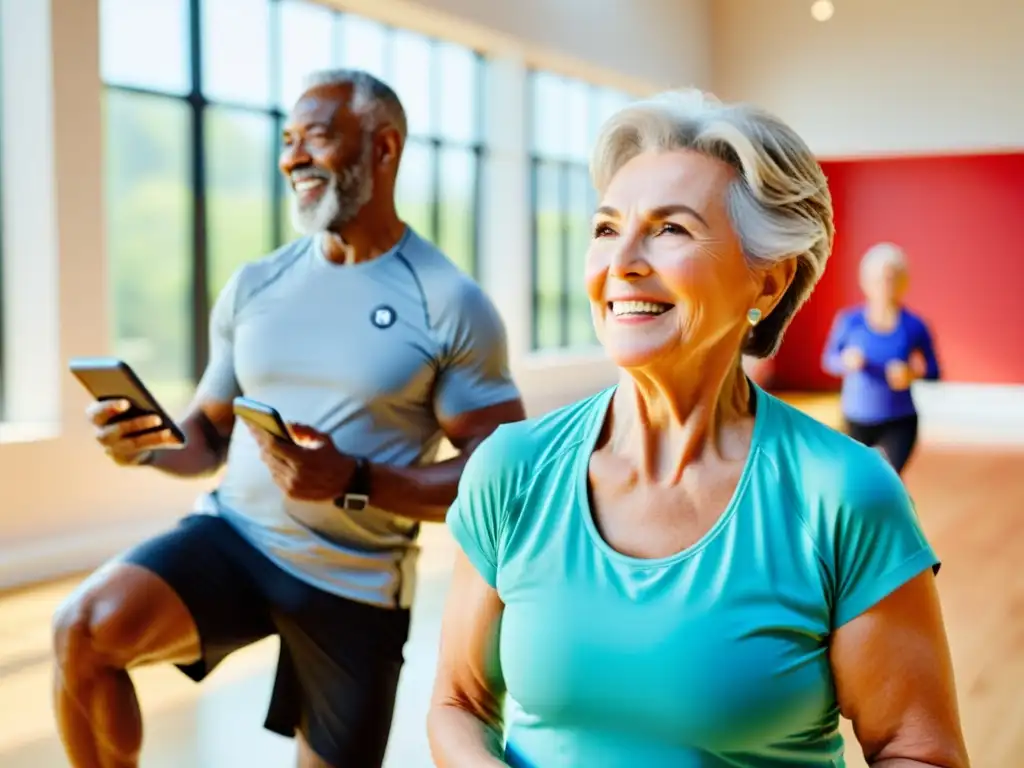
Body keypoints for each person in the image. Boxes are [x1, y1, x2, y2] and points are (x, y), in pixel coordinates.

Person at [428, 90, 969, 768]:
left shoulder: (845, 496)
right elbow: (459, 706)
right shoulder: (513, 470)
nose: (621, 260)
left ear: (766, 285)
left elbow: (917, 750)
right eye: (605, 228)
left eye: (670, 229)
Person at [52, 69, 525, 768]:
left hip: (356, 580)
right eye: (286, 140)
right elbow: (206, 435)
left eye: (318, 137)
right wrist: (147, 445)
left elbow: (498, 479)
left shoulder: (448, 302)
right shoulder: (257, 284)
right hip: (236, 538)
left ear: (383, 148)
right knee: (84, 630)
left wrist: (352, 478)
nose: (293, 157)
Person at [822, 243, 940, 474]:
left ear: (903, 282)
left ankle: (896, 510)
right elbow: (829, 360)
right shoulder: (849, 321)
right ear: (864, 282)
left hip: (899, 421)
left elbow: (935, 371)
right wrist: (846, 361)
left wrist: (912, 373)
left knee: (889, 482)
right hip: (855, 419)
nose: (885, 286)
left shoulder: (914, 326)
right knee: (856, 482)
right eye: (877, 279)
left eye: (891, 278)